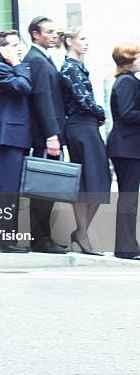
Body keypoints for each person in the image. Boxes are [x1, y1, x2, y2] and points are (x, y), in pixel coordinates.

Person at [60, 27, 111, 256]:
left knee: (99, 180)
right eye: (82, 39)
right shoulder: (70, 67)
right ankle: (82, 234)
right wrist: (101, 112)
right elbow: (83, 100)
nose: (86, 42)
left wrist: (96, 115)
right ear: (70, 42)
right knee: (89, 181)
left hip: (86, 126)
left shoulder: (78, 67)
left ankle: (81, 231)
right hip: (80, 127)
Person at [23, 16, 67, 253]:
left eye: (55, 31)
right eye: (49, 31)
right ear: (35, 35)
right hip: (44, 136)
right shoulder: (37, 60)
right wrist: (52, 135)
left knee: (47, 188)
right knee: (43, 189)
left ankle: (43, 237)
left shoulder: (43, 58)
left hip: (48, 134)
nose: (54, 35)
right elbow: (43, 99)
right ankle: (40, 240)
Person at [0, 30, 32, 253]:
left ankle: (8, 239)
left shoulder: (10, 68)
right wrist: (17, 62)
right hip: (8, 138)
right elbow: (23, 87)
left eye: (19, 44)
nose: (19, 48)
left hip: (17, 137)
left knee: (12, 191)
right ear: (2, 50)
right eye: (14, 45)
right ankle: (3, 241)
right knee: (6, 191)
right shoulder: (0, 68)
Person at [107, 42, 140, 260]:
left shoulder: (127, 81)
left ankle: (128, 245)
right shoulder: (127, 81)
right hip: (127, 147)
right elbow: (128, 114)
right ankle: (125, 248)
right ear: (129, 59)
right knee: (128, 198)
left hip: (128, 146)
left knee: (129, 197)